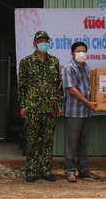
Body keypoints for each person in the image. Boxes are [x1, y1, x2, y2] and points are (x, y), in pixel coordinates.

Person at [18, 31, 63, 182]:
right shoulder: (26, 62)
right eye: (41, 41)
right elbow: (22, 86)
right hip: (33, 108)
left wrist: (58, 104)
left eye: (46, 41)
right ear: (34, 44)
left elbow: (58, 86)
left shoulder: (54, 62)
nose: (44, 43)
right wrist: (23, 105)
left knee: (48, 141)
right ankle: (31, 171)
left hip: (50, 108)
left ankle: (46, 170)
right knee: (32, 142)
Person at [62, 41, 100, 183]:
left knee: (84, 143)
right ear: (72, 53)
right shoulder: (69, 68)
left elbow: (90, 88)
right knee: (71, 143)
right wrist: (88, 103)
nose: (81, 54)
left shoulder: (86, 67)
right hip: (73, 112)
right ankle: (70, 171)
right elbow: (72, 89)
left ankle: (84, 170)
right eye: (78, 51)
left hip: (85, 112)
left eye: (84, 51)